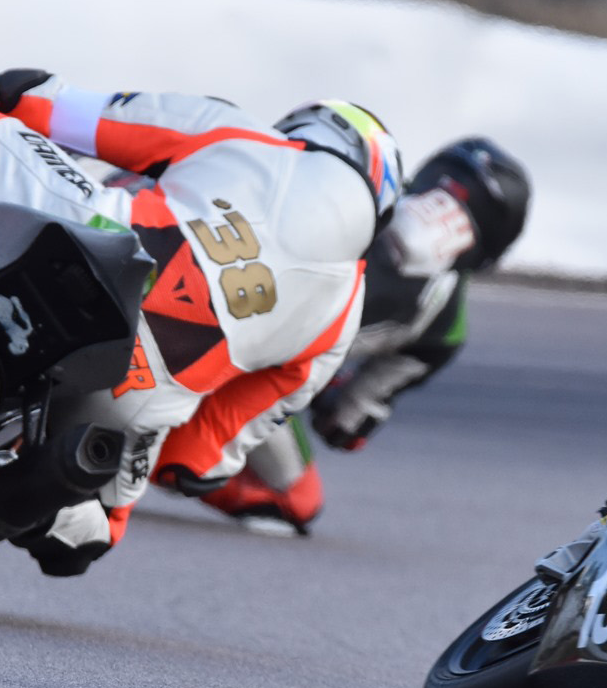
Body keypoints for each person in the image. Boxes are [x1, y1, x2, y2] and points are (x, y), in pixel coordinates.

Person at [0, 68, 403, 577]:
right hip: (137, 398)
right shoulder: (339, 323)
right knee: (87, 530)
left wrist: (2, 90)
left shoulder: (246, 134)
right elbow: (200, 461)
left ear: (309, 131)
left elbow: (55, 109)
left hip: (100, 246)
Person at [193, 138, 532, 532]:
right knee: (296, 501)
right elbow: (344, 427)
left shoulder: (357, 180)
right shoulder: (445, 328)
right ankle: (166, 456)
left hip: (205, 270)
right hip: (247, 359)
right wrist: (327, 379)